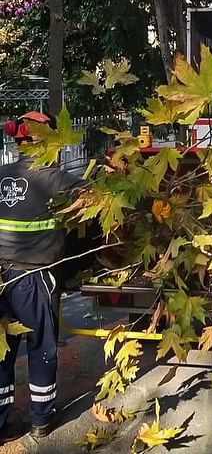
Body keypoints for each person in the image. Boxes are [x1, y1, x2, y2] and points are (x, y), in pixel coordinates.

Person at [0, 112, 85, 445]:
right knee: (41, 349)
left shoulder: (1, 175)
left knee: (2, 350)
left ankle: (2, 421)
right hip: (33, 280)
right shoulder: (54, 179)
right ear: (46, 141)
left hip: (0, 278)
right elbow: (98, 199)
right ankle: (41, 419)